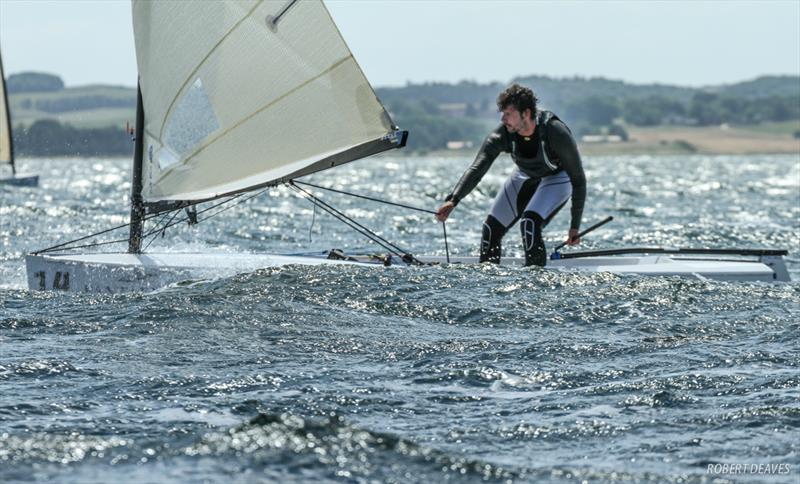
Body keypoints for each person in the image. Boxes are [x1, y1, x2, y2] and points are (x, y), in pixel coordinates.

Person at [435, 83, 586, 266]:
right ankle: (489, 286)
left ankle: (535, 284)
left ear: (526, 113)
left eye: (508, 114)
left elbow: (578, 180)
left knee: (529, 224)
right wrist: (454, 199)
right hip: (524, 175)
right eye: (502, 113)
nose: (503, 119)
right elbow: (477, 169)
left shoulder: (555, 132)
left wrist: (574, 227)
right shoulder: (502, 135)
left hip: (558, 178)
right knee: (490, 229)